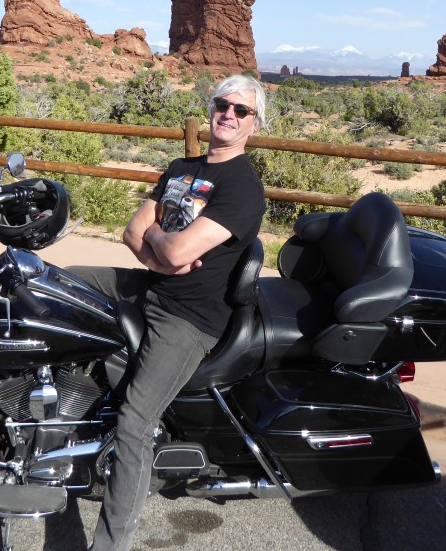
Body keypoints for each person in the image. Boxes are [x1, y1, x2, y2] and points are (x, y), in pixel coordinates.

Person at [67, 74, 268, 551]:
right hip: (151, 284)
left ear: (254, 124)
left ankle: (110, 545)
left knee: (135, 422)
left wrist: (161, 244)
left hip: (188, 315)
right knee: (62, 281)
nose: (228, 114)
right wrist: (160, 253)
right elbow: (133, 231)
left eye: (241, 110)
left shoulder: (243, 187)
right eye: (222, 104)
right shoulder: (183, 167)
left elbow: (177, 250)